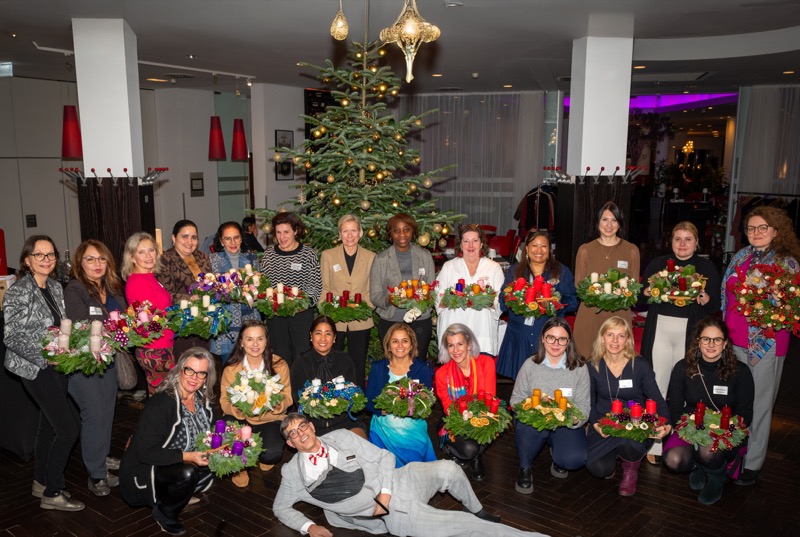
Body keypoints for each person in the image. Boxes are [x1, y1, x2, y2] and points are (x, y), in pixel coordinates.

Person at [272, 413, 548, 537]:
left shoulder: (341, 437)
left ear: (311, 426)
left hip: (399, 480)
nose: (300, 433)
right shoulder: (293, 473)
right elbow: (280, 507)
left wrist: (385, 493)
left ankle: (476, 508)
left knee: (450, 469)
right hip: (395, 511)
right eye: (293, 433)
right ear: (290, 444)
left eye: (302, 426)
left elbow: (384, 457)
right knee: (465, 526)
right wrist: (309, 527)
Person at [3, 235, 83, 511]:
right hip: (35, 367)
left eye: (50, 254)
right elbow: (12, 336)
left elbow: (61, 325)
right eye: (39, 255)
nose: (46, 260)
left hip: (58, 364)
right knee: (68, 429)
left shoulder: (55, 286)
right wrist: (47, 357)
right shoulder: (18, 291)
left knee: (48, 427)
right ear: (27, 260)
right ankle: (52, 492)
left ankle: (40, 481)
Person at [722, 206, 800, 486]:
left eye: (762, 227)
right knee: (734, 401)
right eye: (751, 228)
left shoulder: (786, 263)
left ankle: (753, 462)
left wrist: (777, 299)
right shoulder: (741, 256)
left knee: (760, 404)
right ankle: (732, 452)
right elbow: (726, 297)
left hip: (765, 345)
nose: (756, 233)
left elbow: (792, 307)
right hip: (733, 341)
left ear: (776, 231)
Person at [640, 221, 721, 465]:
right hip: (661, 330)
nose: (682, 244)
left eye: (688, 239)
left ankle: (682, 440)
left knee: (685, 388)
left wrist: (704, 297)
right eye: (677, 239)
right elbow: (641, 297)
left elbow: (715, 303)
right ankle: (654, 442)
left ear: (697, 243)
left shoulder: (706, 267)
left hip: (690, 332)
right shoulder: (658, 263)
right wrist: (647, 292)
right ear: (671, 241)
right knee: (657, 385)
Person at [119, 348, 217, 535]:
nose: (194, 377)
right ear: (180, 369)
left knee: (219, 458)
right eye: (189, 370)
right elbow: (146, 453)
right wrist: (189, 456)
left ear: (206, 377)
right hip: (145, 468)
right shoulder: (162, 403)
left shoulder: (202, 400)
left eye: (201, 373)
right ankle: (165, 514)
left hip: (175, 461)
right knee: (187, 472)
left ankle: (180, 494)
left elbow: (210, 433)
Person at [663, 317, 754, 505]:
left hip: (726, 431)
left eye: (717, 340)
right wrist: (687, 430)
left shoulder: (740, 371)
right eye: (706, 339)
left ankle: (716, 477)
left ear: (725, 343)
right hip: (690, 426)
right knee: (673, 460)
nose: (711, 345)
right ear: (698, 341)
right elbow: (675, 407)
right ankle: (699, 466)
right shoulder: (683, 367)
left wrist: (724, 431)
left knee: (707, 450)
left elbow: (745, 413)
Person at [65, 240, 127, 496]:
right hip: (85, 364)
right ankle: (97, 474)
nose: (97, 264)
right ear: (80, 263)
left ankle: (101, 456)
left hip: (108, 360)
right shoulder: (75, 289)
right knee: (94, 415)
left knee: (107, 413)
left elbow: (125, 317)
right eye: (90, 259)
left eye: (101, 259)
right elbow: (80, 324)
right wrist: (113, 327)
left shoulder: (112, 287)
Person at [586, 316, 671, 496]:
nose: (615, 340)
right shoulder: (592, 365)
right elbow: (589, 402)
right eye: (610, 334)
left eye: (621, 336)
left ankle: (630, 470)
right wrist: (595, 424)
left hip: (635, 423)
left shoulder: (639, 366)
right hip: (604, 423)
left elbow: (657, 399)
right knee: (599, 469)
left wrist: (668, 425)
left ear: (628, 340)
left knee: (628, 443)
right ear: (602, 338)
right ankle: (612, 456)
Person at [509, 317, 589, 494]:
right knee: (526, 431)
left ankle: (558, 454)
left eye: (562, 339)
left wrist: (575, 419)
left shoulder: (579, 368)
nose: (556, 343)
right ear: (543, 339)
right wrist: (531, 409)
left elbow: (584, 406)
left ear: (568, 342)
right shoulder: (530, 364)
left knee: (574, 459)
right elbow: (516, 399)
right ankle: (525, 467)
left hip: (564, 423)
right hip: (534, 420)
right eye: (551, 337)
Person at [496, 230, 578, 380]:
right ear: (527, 248)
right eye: (534, 245)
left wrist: (554, 305)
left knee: (547, 381)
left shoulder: (561, 272)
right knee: (520, 381)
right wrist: (513, 300)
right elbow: (502, 300)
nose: (539, 250)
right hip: (519, 335)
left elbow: (573, 301)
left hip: (548, 335)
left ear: (549, 249)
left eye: (544, 246)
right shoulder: (515, 271)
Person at [219, 320, 292, 488]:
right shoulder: (231, 369)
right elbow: (224, 401)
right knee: (227, 432)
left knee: (271, 455)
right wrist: (236, 409)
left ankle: (262, 454)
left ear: (266, 341)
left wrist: (279, 405)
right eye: (249, 339)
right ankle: (239, 466)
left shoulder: (279, 365)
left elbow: (287, 396)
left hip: (270, 418)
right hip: (241, 418)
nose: (255, 344)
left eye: (260, 338)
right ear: (241, 342)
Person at [573, 202, 640, 358]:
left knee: (618, 360)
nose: (609, 225)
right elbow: (579, 285)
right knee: (586, 359)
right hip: (590, 313)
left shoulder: (631, 250)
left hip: (619, 314)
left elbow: (634, 286)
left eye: (614, 220)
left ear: (619, 224)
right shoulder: (585, 250)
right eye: (604, 219)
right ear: (598, 222)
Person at [365, 323, 436, 467]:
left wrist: (412, 407)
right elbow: (369, 401)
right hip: (383, 431)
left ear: (412, 345)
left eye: (405, 341)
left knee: (415, 473)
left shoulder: (421, 368)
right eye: (395, 341)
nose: (400, 345)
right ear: (388, 345)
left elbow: (428, 402)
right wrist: (380, 409)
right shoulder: (378, 368)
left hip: (412, 430)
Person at [435, 323, 497, 481]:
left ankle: (476, 457)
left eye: (460, 344)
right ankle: (455, 450)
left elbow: (489, 397)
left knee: (491, 428)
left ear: (469, 345)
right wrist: (465, 419)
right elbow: (448, 406)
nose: (455, 350)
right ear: (446, 348)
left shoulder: (486, 363)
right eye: (451, 345)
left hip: (482, 412)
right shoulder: (442, 374)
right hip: (457, 417)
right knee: (469, 449)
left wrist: (477, 419)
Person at [320, 214, 376, 388]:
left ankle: (357, 397)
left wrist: (363, 309)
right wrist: (327, 311)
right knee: (331, 361)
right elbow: (324, 288)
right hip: (334, 318)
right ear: (340, 234)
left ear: (360, 233)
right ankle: (330, 396)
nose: (350, 235)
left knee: (358, 363)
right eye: (345, 231)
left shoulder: (371, 257)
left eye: (354, 230)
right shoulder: (328, 256)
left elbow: (372, 289)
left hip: (361, 320)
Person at [370, 213, 436, 360]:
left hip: (420, 320)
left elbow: (432, 290)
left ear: (413, 232)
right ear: (390, 234)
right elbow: (375, 295)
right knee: (393, 365)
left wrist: (425, 297)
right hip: (391, 320)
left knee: (417, 364)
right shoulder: (381, 259)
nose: (402, 234)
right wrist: (389, 300)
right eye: (396, 230)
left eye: (406, 229)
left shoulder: (424, 256)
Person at [259, 212, 321, 366]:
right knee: (280, 357)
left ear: (296, 231)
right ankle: (284, 382)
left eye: (286, 232)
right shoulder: (269, 255)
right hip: (276, 317)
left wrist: (301, 305)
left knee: (302, 356)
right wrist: (268, 302)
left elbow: (315, 286)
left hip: (300, 316)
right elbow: (263, 285)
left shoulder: (308, 254)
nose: (282, 237)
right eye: (278, 232)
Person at [290, 316, 367, 438]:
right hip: (312, 425)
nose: (323, 338)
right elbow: (299, 401)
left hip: (345, 421)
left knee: (360, 444)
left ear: (334, 338)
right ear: (311, 336)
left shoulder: (345, 360)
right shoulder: (301, 362)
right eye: (318, 333)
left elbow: (353, 395)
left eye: (328, 334)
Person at [435, 224, 505, 355]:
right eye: (466, 241)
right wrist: (452, 298)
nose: (471, 246)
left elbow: (501, 301)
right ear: (460, 245)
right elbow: (438, 297)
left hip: (482, 329)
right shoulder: (449, 267)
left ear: (482, 244)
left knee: (481, 366)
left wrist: (485, 299)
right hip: (454, 327)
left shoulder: (494, 268)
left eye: (475, 241)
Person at [122, 232, 176, 395]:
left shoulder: (149, 277)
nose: (148, 256)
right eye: (141, 252)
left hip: (162, 343)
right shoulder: (138, 281)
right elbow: (153, 319)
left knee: (165, 396)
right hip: (155, 348)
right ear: (132, 257)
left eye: (151, 250)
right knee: (164, 396)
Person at [158, 220, 213, 359]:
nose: (190, 242)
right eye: (185, 236)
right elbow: (164, 295)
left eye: (194, 237)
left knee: (204, 362)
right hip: (180, 324)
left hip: (203, 321)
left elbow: (210, 285)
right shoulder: (165, 260)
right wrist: (191, 299)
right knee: (185, 365)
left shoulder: (203, 257)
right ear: (173, 238)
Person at [209, 221, 261, 363]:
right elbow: (209, 290)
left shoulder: (252, 258)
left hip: (249, 320)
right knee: (229, 367)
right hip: (226, 322)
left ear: (241, 238)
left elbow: (259, 287)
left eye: (236, 237)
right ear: (221, 241)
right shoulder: (213, 260)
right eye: (227, 238)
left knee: (252, 365)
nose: (233, 242)